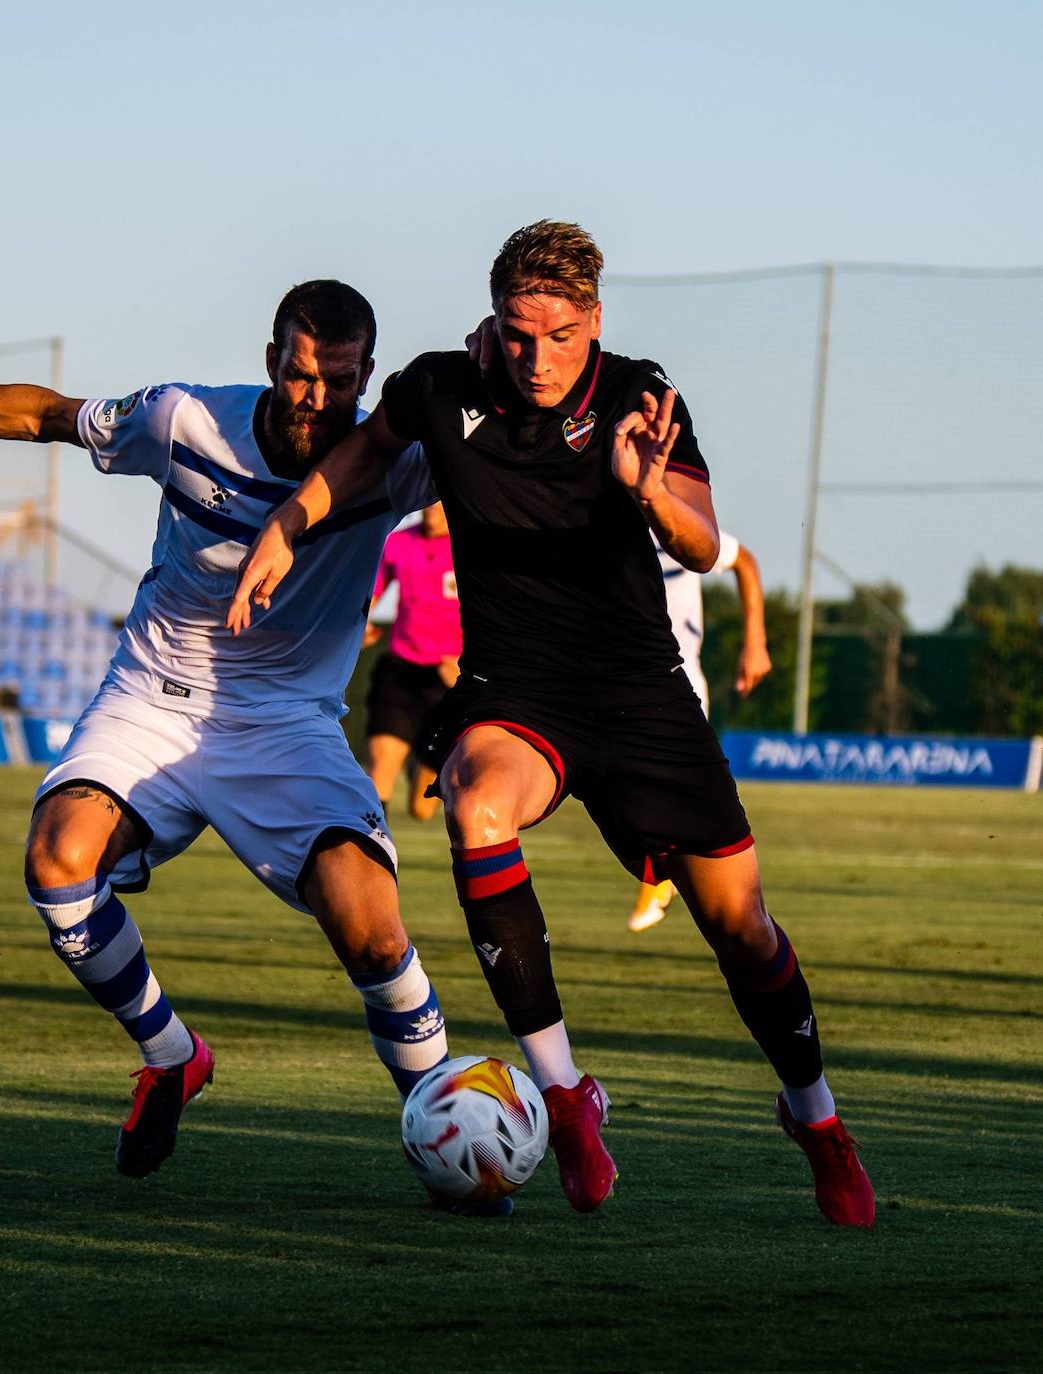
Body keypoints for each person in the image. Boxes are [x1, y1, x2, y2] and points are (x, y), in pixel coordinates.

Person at [229, 222, 875, 1228]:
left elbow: (703, 545)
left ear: (594, 323)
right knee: (474, 808)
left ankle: (815, 1119)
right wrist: (286, 523)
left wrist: (650, 491)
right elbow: (360, 457)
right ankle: (565, 1096)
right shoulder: (441, 386)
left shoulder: (637, 396)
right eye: (519, 333)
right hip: (512, 689)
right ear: (493, 321)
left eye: (561, 335)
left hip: (639, 693)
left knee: (740, 930)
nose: (538, 357)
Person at [0, 281, 459, 1200]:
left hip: (288, 725)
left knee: (373, 933)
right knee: (58, 861)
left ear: (365, 375)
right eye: (300, 376)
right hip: (153, 699)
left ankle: (446, 1124)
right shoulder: (182, 422)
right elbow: (44, 416)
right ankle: (172, 1057)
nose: (315, 399)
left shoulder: (394, 459)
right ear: (270, 361)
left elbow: (515, 481)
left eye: (337, 382)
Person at [627, 531, 772, 931]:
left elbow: (745, 561)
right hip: (618, 686)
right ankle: (667, 875)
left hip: (679, 687)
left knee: (688, 808)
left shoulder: (675, 523)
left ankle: (670, 882)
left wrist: (755, 641)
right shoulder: (593, 521)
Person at [362, 501, 461, 821]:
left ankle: (423, 759)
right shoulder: (399, 541)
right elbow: (370, 592)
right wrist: (360, 622)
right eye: (429, 503)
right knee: (380, 773)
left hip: (449, 682)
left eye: (440, 505)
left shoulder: (471, 547)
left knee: (421, 808)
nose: (431, 509)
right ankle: (372, 857)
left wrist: (466, 659)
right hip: (401, 671)